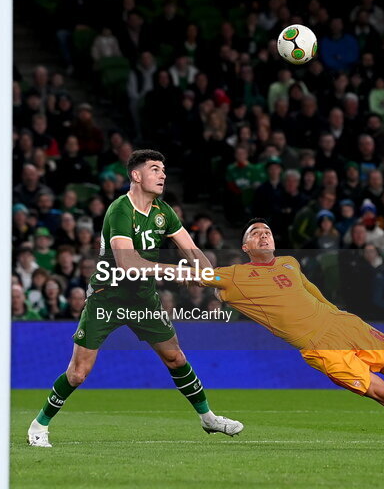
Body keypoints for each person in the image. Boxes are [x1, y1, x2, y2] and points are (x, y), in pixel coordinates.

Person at [203, 219, 384, 449]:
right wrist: (154, 268)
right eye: (255, 233)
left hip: (345, 325)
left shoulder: (289, 263)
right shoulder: (233, 276)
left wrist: (337, 315)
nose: (264, 235)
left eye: (267, 231)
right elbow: (188, 274)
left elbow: (312, 293)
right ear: (245, 247)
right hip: (320, 346)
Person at [27, 150, 242, 447]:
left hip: (143, 298)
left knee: (175, 357)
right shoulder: (120, 210)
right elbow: (128, 264)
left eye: (164, 170)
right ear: (136, 176)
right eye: (155, 169)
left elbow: (192, 250)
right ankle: (39, 425)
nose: (163, 175)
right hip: (108, 297)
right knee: (78, 372)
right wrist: (178, 272)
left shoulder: (163, 211)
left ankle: (208, 418)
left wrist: (211, 277)